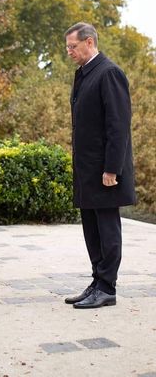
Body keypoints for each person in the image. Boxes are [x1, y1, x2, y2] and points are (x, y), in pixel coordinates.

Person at [64, 22, 135, 308]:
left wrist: (112, 169)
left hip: (105, 171)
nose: (69, 51)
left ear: (89, 42)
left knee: (107, 229)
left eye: (73, 46)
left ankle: (107, 287)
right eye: (67, 47)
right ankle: (97, 282)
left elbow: (118, 126)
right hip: (86, 170)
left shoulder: (109, 73)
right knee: (91, 229)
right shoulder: (84, 73)